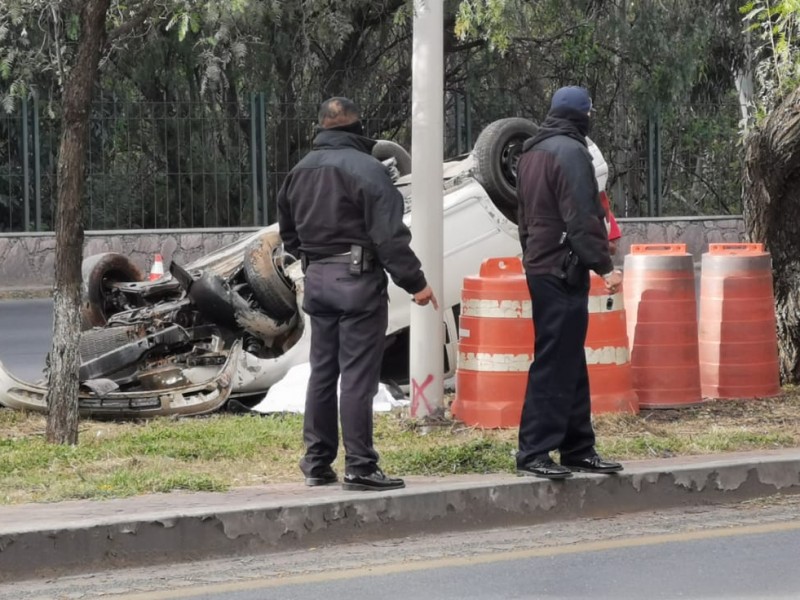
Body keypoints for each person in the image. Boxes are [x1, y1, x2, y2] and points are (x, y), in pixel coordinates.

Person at [277, 97, 438, 492]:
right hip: (358, 285)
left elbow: (288, 234)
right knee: (357, 379)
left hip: (318, 283)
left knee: (322, 373)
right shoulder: (367, 170)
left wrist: (317, 264)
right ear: (356, 128)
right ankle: (361, 467)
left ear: (322, 127)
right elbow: (390, 237)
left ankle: (316, 462)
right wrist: (416, 284)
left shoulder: (298, 172)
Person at [514, 86, 624, 480]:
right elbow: (582, 217)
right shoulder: (572, 153)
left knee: (569, 360)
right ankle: (534, 451)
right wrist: (604, 266)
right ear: (582, 115)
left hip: (543, 265)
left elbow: (524, 216)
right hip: (563, 267)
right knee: (554, 362)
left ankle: (578, 447)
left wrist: (533, 255)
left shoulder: (531, 152)